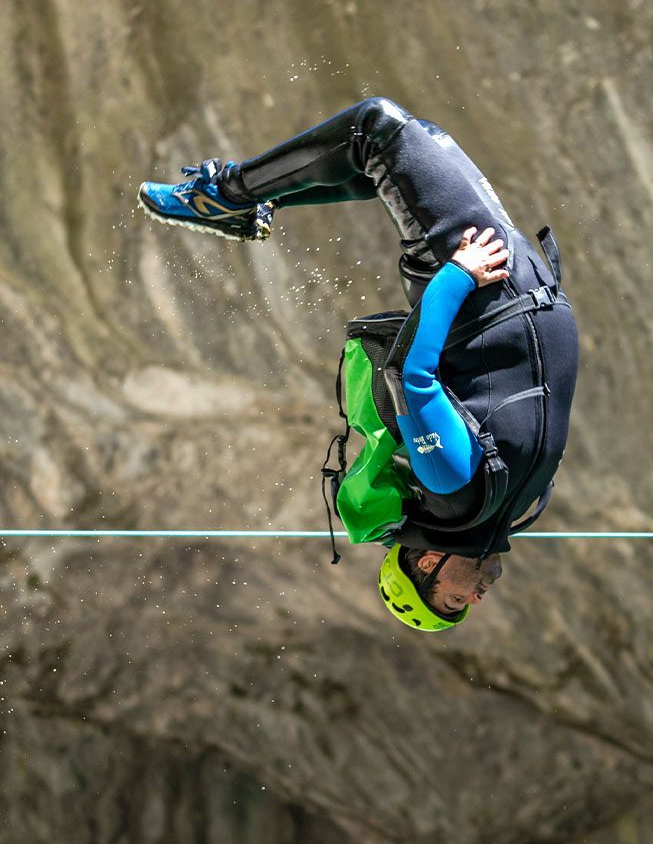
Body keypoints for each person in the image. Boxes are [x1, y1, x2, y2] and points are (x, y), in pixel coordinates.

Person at [138, 97, 579, 632]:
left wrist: (458, 275)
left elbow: (409, 376)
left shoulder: (452, 489)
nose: (475, 599)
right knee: (413, 145)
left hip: (478, 276)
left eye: (453, 602)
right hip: (518, 279)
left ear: (424, 565)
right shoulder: (514, 513)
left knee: (380, 131)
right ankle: (257, 205)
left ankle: (223, 195)